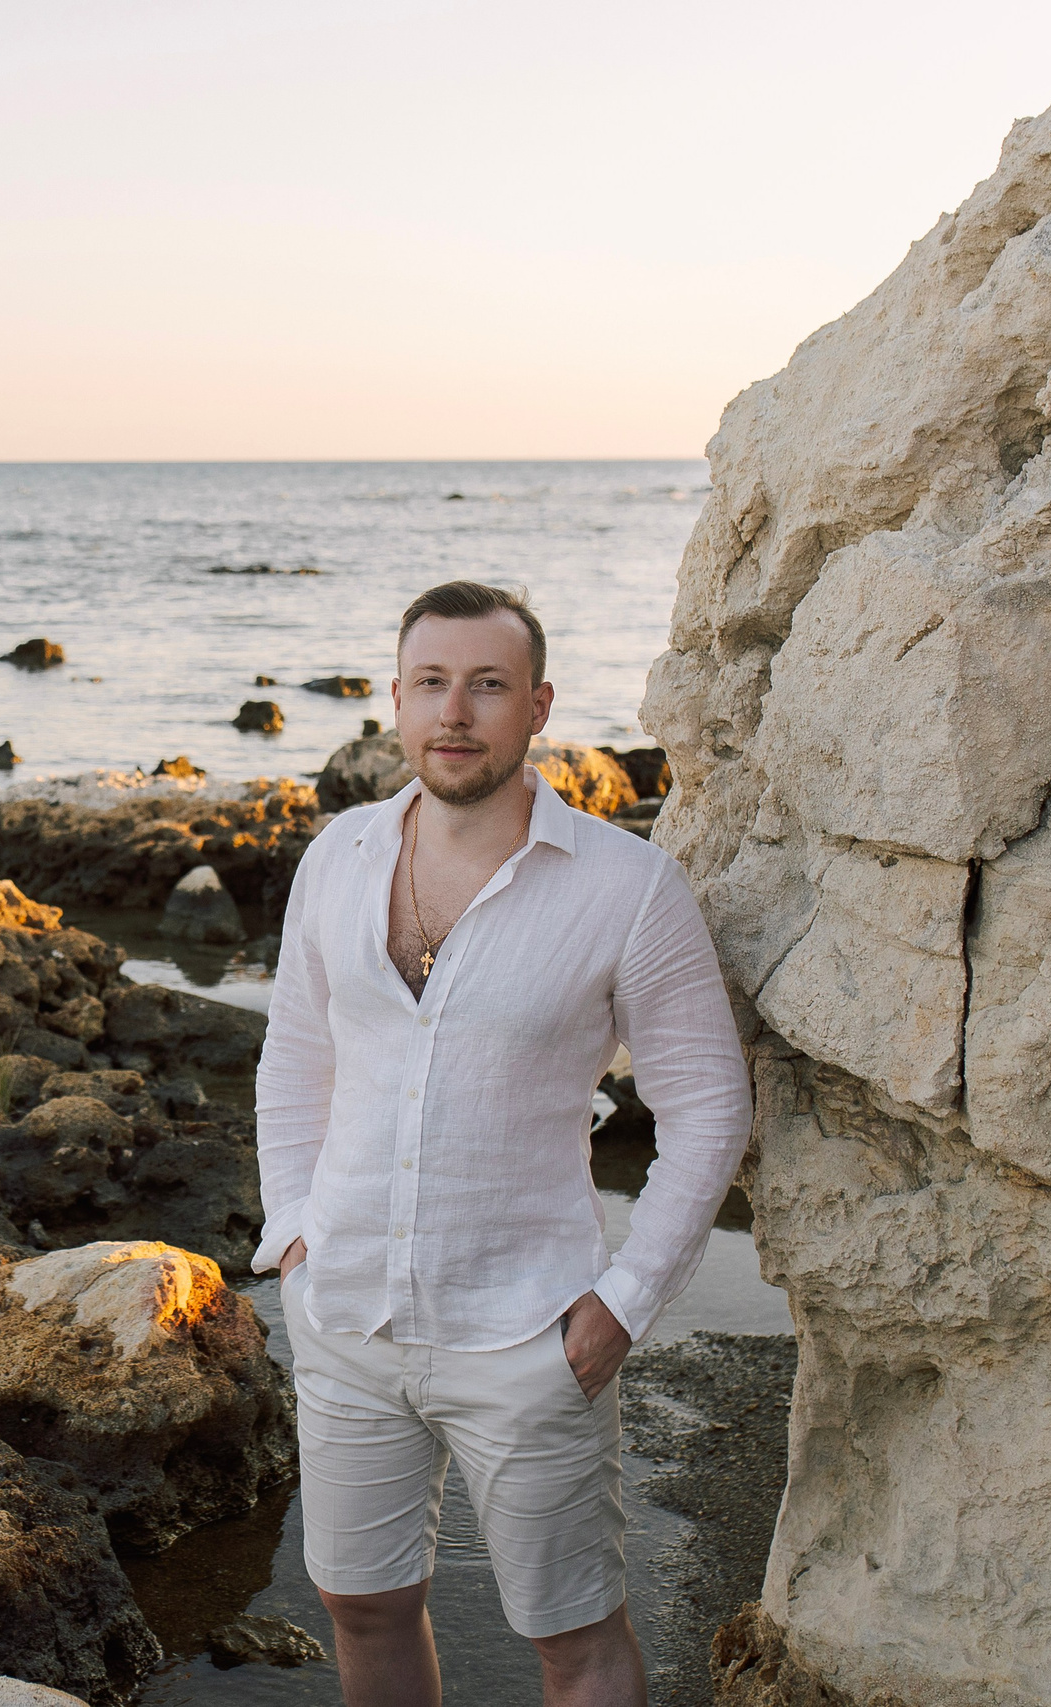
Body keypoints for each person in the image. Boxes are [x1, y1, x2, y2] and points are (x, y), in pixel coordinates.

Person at [255, 580, 751, 1707]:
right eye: (432, 683)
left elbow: (710, 1106)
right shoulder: (335, 858)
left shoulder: (627, 887)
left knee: (570, 1636)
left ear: (536, 706)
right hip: (342, 1316)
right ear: (394, 700)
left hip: (529, 1331)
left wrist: (623, 1304)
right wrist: (290, 1235)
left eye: (487, 685)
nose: (456, 712)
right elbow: (294, 1060)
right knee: (361, 1604)